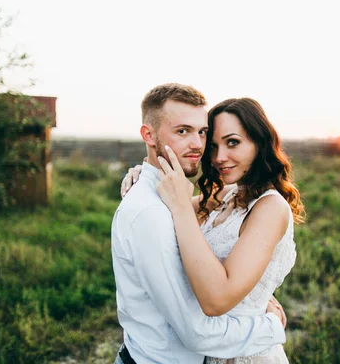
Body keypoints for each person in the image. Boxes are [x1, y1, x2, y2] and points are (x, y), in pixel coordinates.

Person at [112, 84, 287, 364]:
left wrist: (256, 299)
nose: (213, 155)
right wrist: (144, 171)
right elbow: (198, 325)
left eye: (202, 133)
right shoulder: (188, 202)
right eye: (183, 131)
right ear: (148, 134)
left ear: (260, 143)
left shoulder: (265, 205)